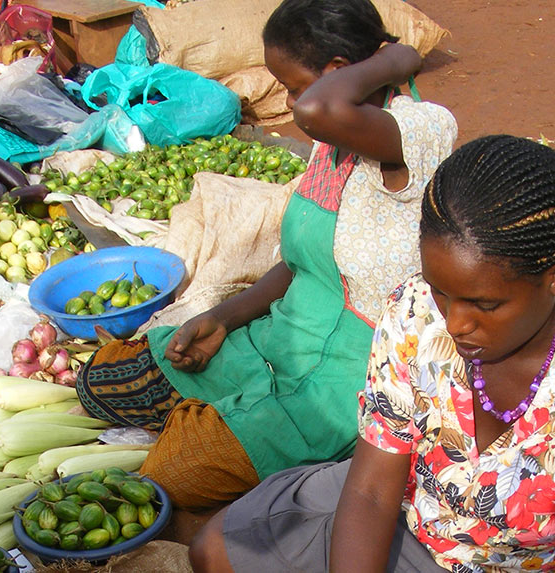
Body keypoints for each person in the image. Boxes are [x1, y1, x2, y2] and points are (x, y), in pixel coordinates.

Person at [188, 134, 555, 572]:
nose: (454, 323)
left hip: (519, 562)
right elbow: (370, 493)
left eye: (485, 304)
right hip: (408, 507)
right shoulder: (415, 309)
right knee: (214, 551)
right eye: (442, 290)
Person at [75, 0, 458, 511]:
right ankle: (229, 421)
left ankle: (253, 443)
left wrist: (401, 56)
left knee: (174, 475)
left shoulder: (417, 128)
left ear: (340, 73)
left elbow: (318, 107)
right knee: (102, 383)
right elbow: (303, 260)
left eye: (295, 86)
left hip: (350, 376)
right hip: (283, 337)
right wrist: (223, 318)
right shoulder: (333, 143)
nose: (292, 103)